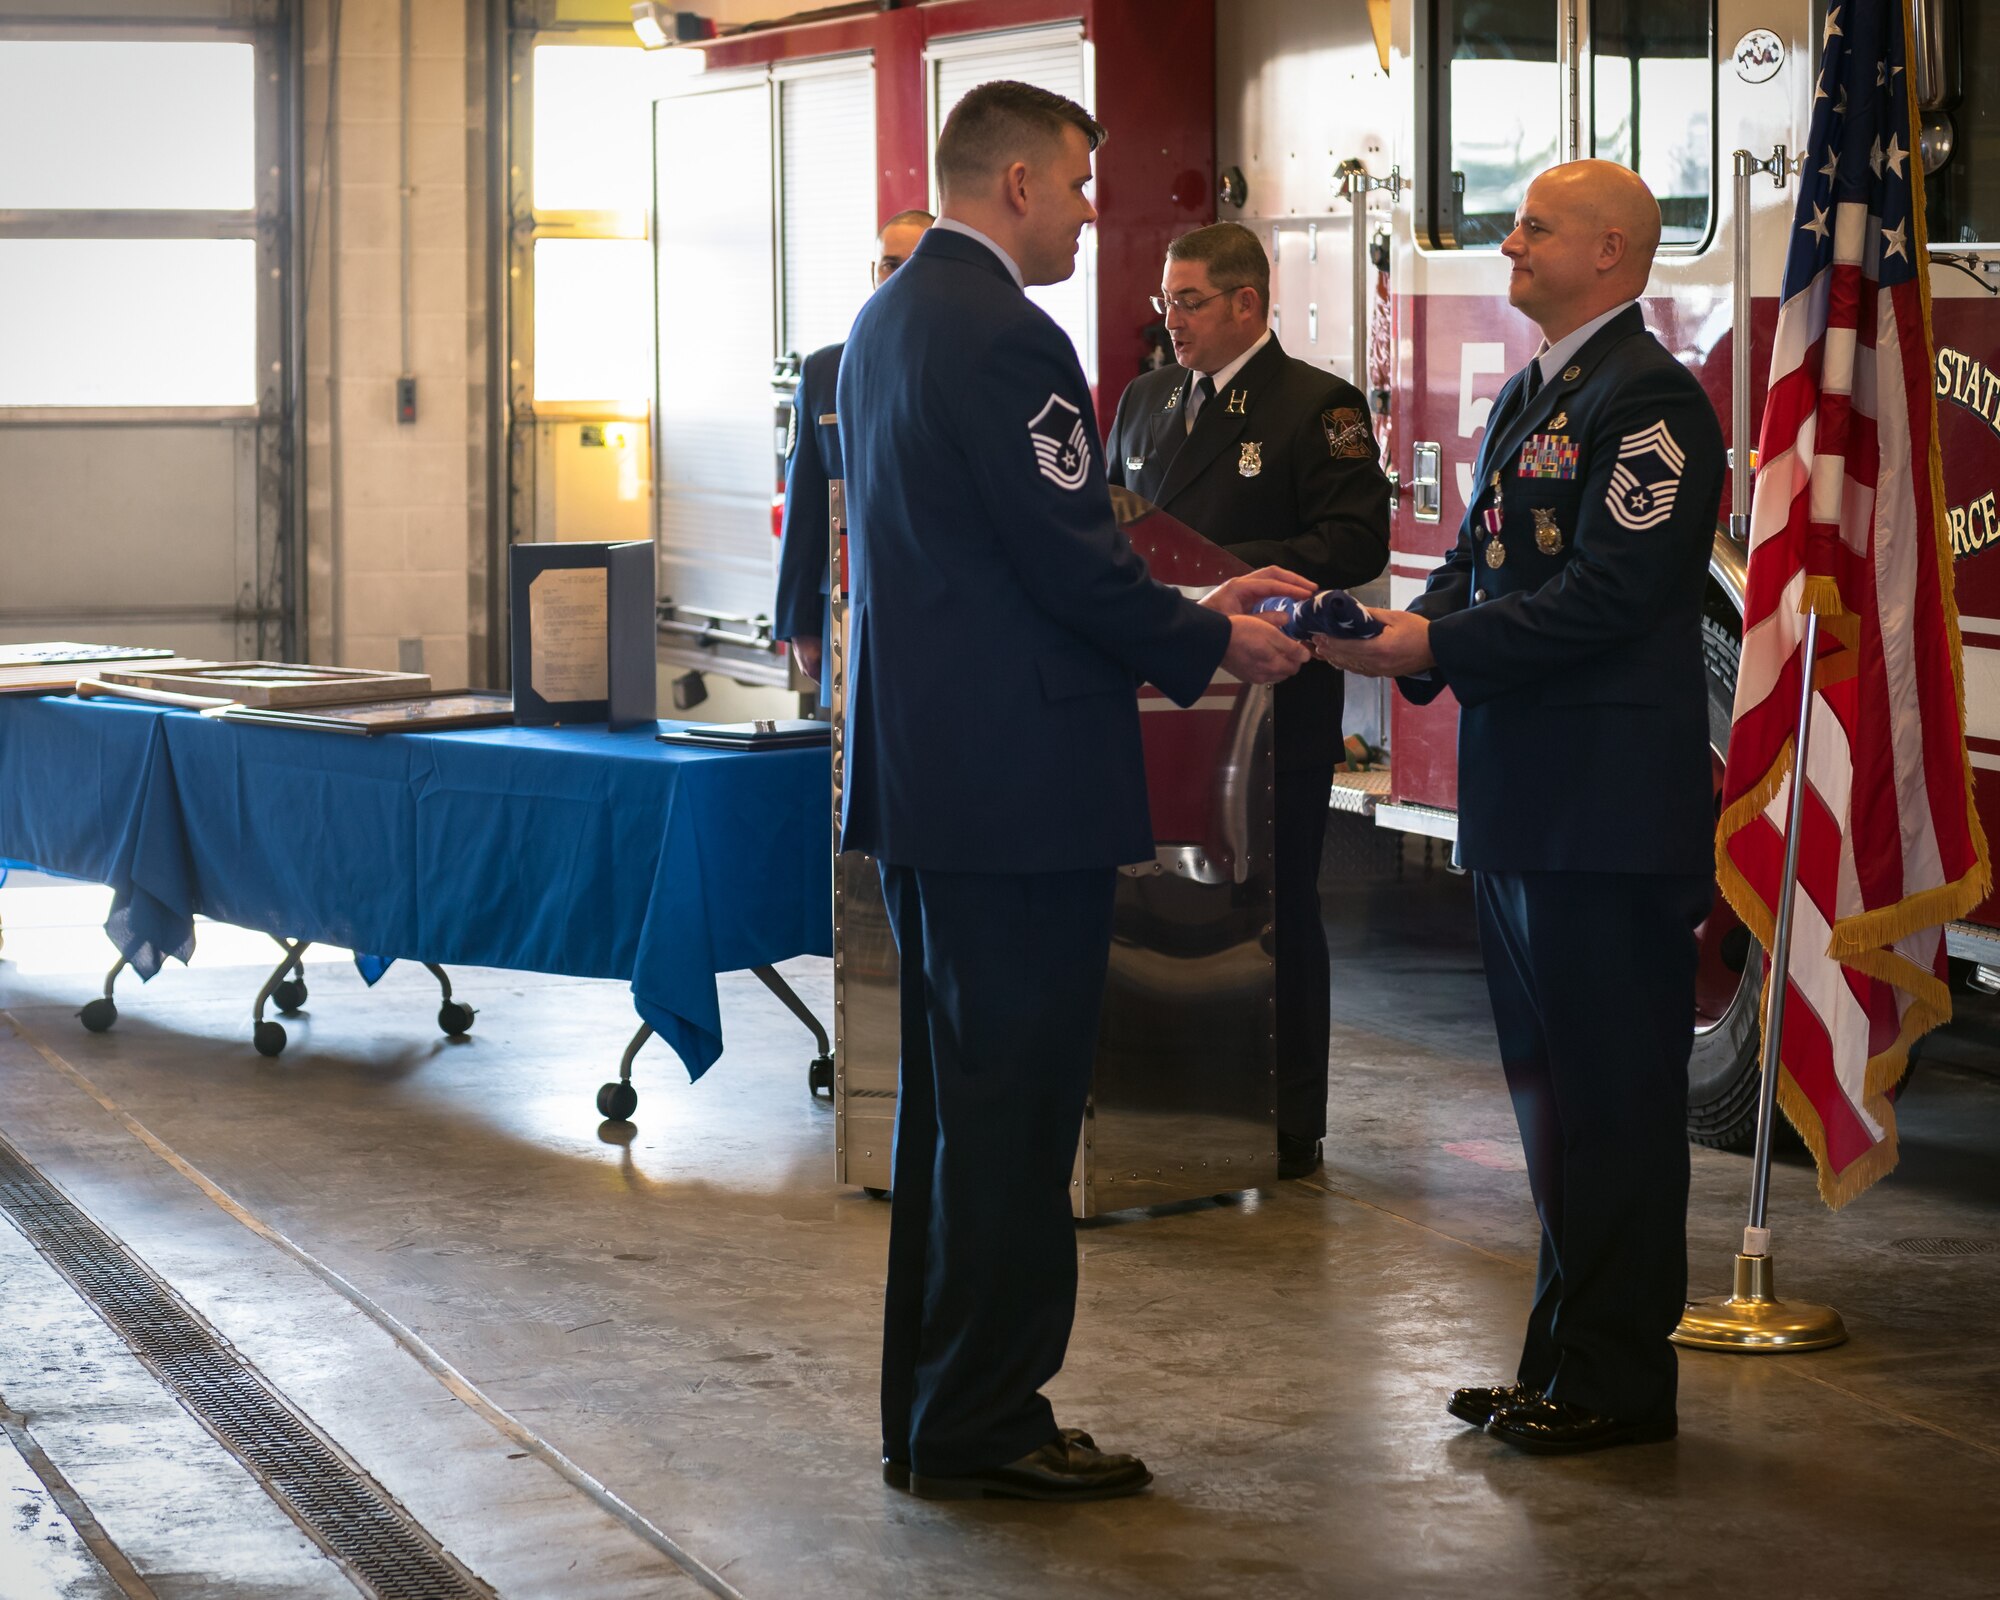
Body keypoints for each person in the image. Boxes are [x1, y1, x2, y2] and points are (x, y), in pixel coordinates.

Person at [837, 80, 1313, 1502]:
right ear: (1023, 184)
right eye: (1086, 183)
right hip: (1020, 793)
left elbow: (1008, 554)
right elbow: (1064, 563)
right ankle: (988, 1422)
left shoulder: (889, 320)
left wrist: (1187, 591)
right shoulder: (1011, 338)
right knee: (1017, 1117)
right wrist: (1208, 633)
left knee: (951, 1115)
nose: (1097, 210)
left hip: (935, 784)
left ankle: (930, 1414)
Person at [1314, 160, 1723, 1455]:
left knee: (1614, 1104)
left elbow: (1608, 597)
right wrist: (1395, 631)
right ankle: (1558, 1361)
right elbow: (1485, 560)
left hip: (1603, 820)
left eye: (1536, 225)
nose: (1511, 238)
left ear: (1612, 252)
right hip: (1526, 804)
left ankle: (1616, 1383)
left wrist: (1433, 653)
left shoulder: (1650, 404)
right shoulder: (1540, 390)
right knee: (1553, 1105)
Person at [1106, 222, 1391, 1179]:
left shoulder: (1319, 407)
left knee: (1277, 906)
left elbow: (1356, 542)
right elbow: (1109, 534)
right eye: (1165, 302)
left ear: (1247, 306)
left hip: (1270, 698)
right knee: (1161, 902)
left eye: (1188, 302)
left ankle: (1287, 1120)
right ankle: (1170, 1096)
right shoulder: (1146, 402)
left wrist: (1242, 583)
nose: (1171, 322)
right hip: (1160, 700)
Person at [773, 209, 934, 689]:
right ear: (873, 273)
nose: (899, 275)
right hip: (848, 614)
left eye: (915, 262)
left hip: (937, 609)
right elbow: (804, 500)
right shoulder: (825, 371)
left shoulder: (962, 360)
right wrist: (801, 622)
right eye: (889, 263)